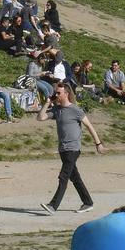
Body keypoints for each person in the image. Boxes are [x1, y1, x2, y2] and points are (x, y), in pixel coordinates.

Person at [37, 83, 102, 215]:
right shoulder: (57, 110)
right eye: (55, 93)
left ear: (66, 94)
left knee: (63, 176)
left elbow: (89, 126)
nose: (56, 95)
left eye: (58, 93)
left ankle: (53, 205)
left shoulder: (75, 110)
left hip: (73, 149)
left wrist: (98, 143)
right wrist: (47, 103)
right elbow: (40, 117)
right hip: (63, 149)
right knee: (75, 178)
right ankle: (88, 202)